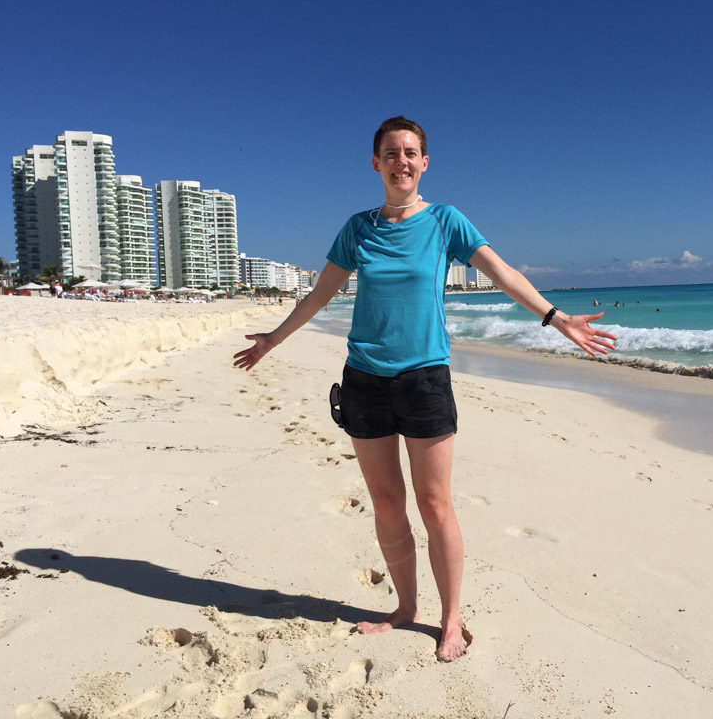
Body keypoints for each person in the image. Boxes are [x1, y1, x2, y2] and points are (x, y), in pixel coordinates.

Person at [233, 116, 617, 662]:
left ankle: (452, 618)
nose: (402, 161)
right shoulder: (358, 228)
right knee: (388, 503)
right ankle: (405, 608)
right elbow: (320, 296)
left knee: (435, 505)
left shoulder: (445, 221)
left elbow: (502, 273)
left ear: (425, 162)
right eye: (391, 153)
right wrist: (273, 339)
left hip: (425, 380)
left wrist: (557, 319)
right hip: (364, 379)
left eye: (411, 152)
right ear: (376, 163)